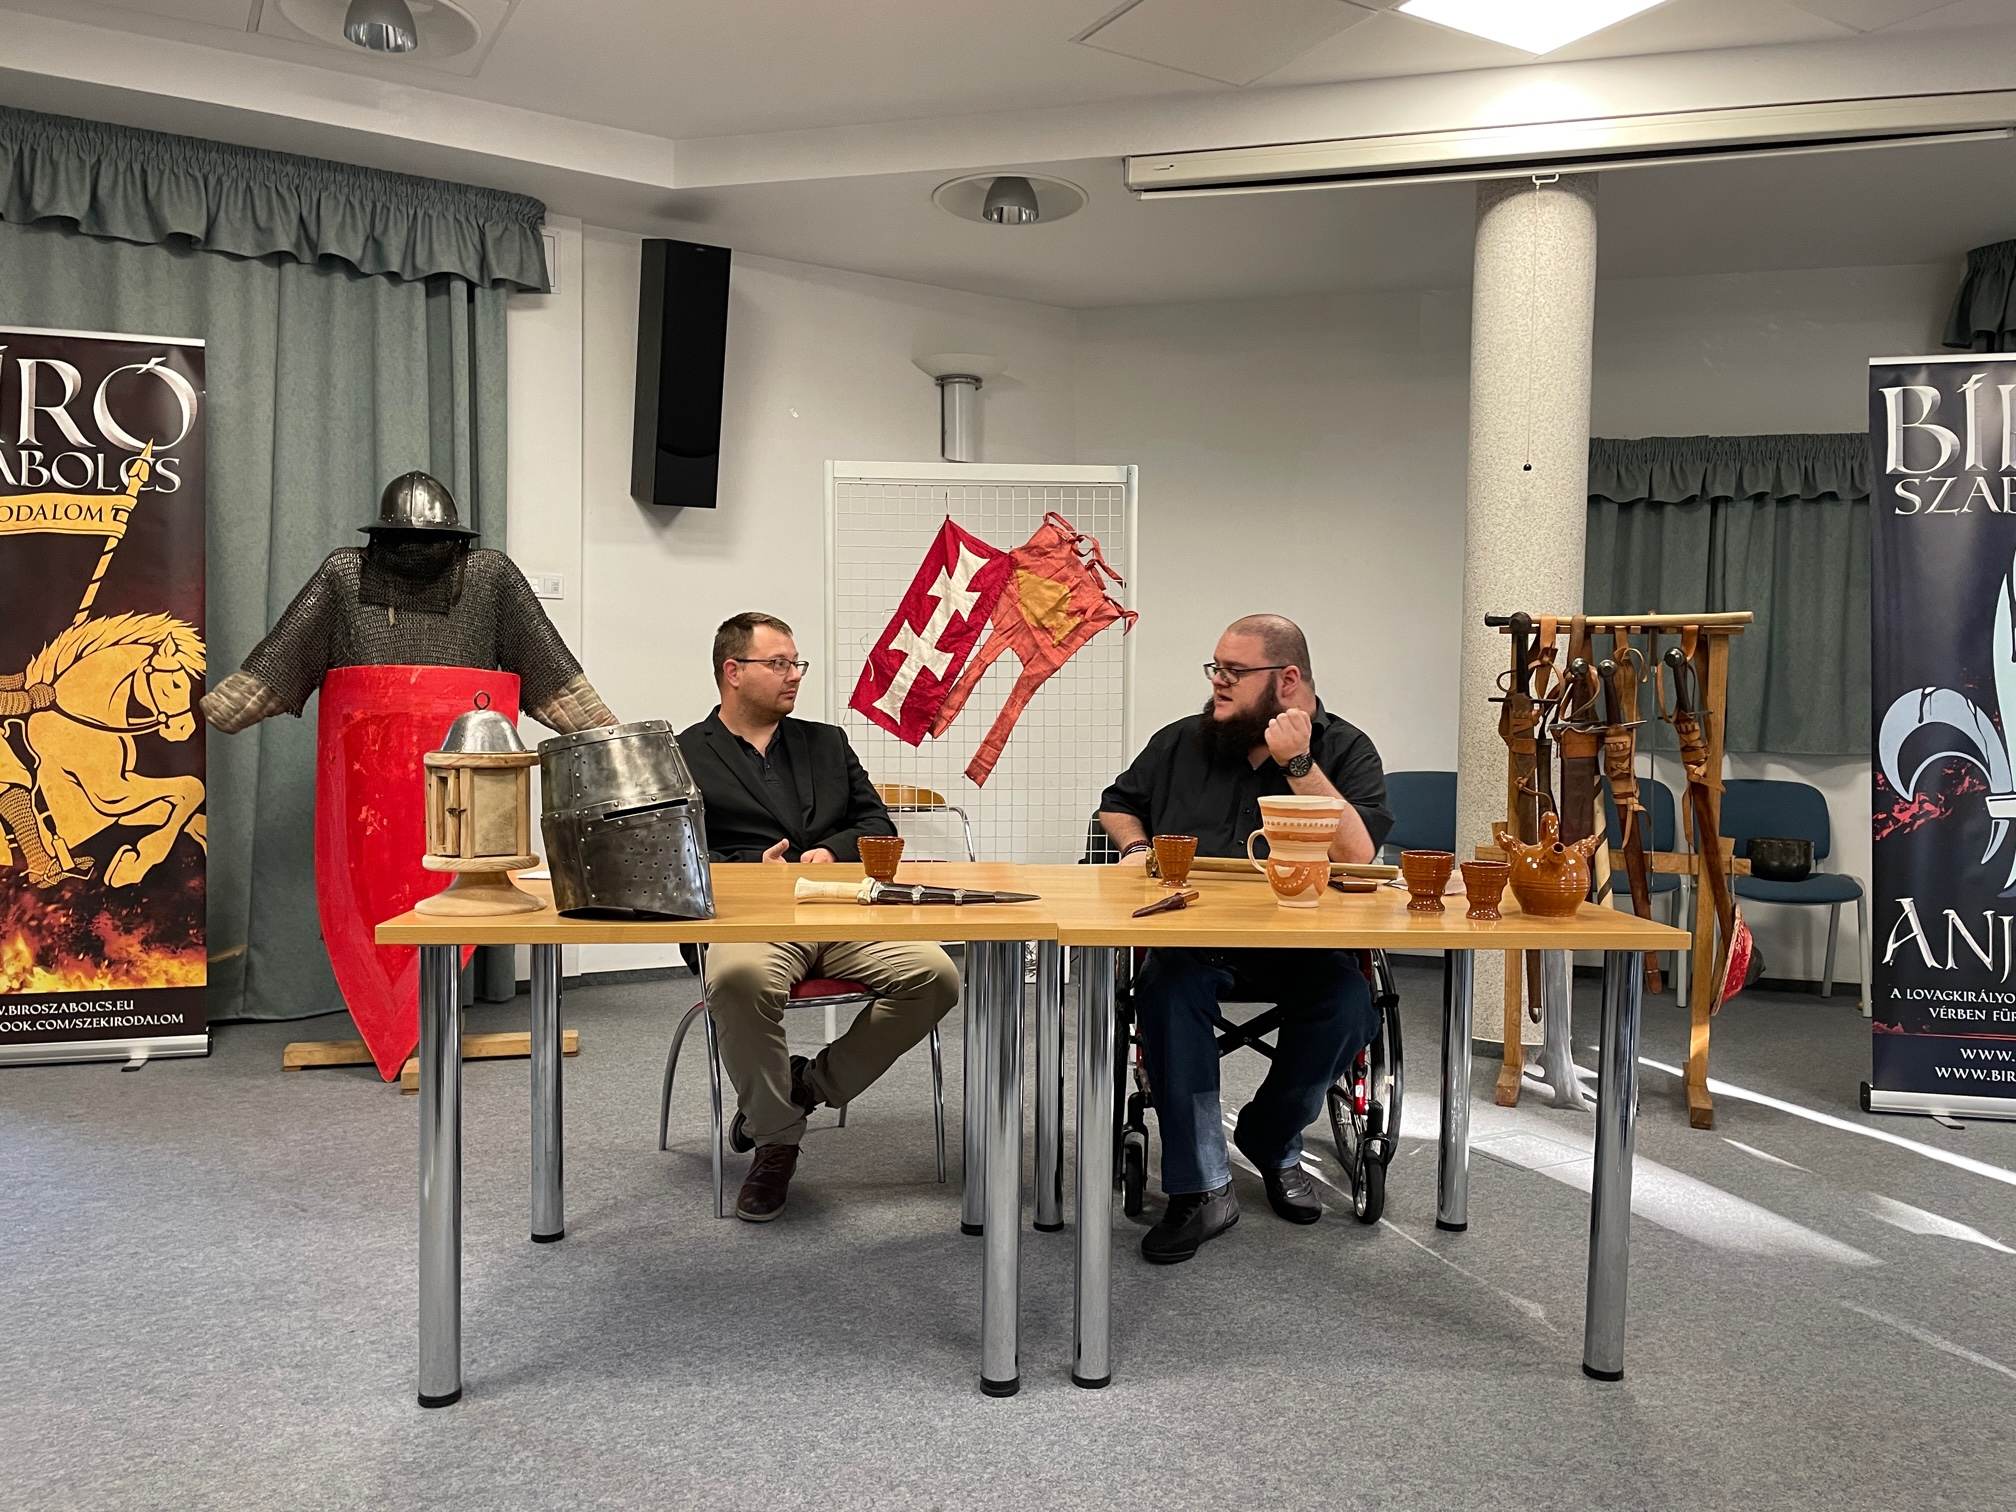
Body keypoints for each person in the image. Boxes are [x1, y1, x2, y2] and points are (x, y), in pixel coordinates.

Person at [1098, 614, 1392, 1264]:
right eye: (1216, 668)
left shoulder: (1347, 749)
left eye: (1234, 671)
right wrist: (1136, 847)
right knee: (1166, 992)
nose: (1218, 682)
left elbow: (1358, 855)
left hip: (1303, 946)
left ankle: (1271, 1136)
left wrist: (1298, 764)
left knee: (1349, 1004)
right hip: (1192, 940)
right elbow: (1117, 804)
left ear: (1287, 680)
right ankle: (1202, 1186)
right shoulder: (1181, 741)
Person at [679, 612, 961, 1223]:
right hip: (750, 919)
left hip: (843, 912)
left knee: (937, 975)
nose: (794, 675)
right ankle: (777, 1140)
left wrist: (831, 851)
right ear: (733, 671)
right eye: (778, 663)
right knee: (739, 980)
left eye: (796, 663)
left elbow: (877, 825)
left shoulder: (826, 742)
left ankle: (807, 1086)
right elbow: (673, 854)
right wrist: (751, 867)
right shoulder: (683, 754)